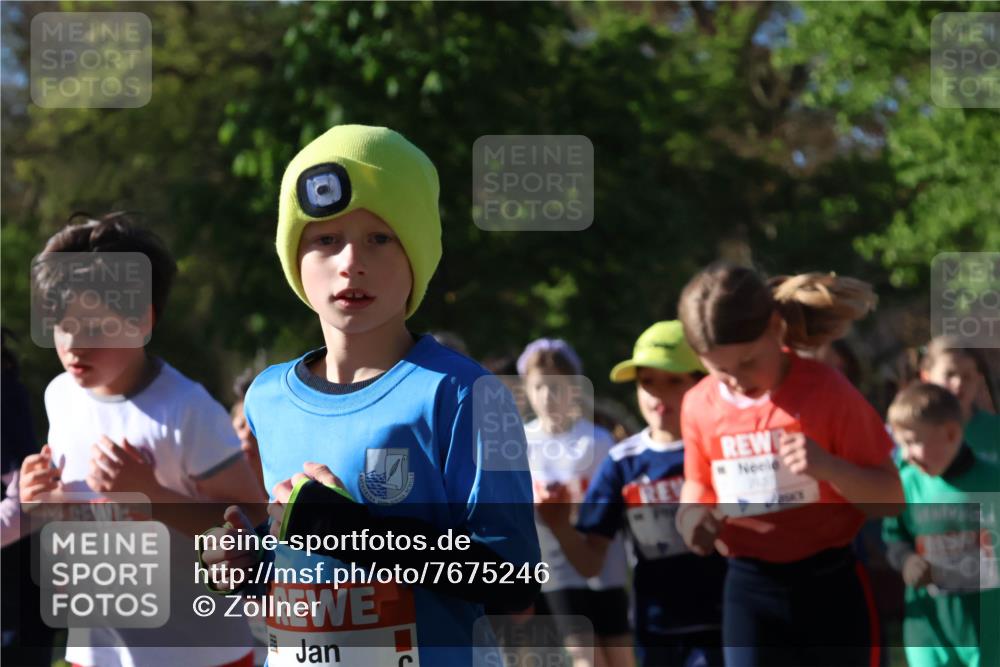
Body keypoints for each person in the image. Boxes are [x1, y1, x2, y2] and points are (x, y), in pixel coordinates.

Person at [199, 125, 540, 666]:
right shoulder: (267, 396)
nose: (350, 261)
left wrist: (351, 531)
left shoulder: (467, 393)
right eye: (325, 239)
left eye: (380, 238)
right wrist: (248, 562)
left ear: (418, 254)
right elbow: (305, 556)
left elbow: (513, 580)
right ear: (294, 257)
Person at [24, 211, 262, 667]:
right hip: (97, 653)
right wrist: (44, 502)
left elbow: (252, 522)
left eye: (94, 326)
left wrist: (153, 497)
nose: (73, 344)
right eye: (61, 324)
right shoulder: (60, 395)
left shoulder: (187, 410)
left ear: (142, 319)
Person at [674, 264, 903, 667]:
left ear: (776, 329)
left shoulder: (827, 392)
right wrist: (690, 518)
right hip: (749, 589)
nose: (737, 381)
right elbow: (698, 484)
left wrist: (831, 468)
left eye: (748, 362)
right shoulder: (698, 405)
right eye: (721, 371)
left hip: (830, 586)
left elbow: (892, 499)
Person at [536, 321, 726, 666]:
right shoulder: (623, 462)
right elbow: (590, 563)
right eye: (646, 381)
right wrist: (560, 526)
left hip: (727, 624)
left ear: (702, 383)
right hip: (657, 630)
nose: (657, 395)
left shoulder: (722, 448)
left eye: (673, 381)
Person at [520, 338, 633, 667]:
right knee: (586, 658)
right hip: (554, 565)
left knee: (620, 657)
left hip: (602, 563)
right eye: (539, 387)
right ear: (527, 390)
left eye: (556, 387)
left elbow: (613, 504)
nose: (547, 396)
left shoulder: (597, 440)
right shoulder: (521, 442)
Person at [882, 383, 999, 667]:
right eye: (900, 445)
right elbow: (894, 537)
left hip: (986, 624)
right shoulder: (906, 484)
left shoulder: (992, 480)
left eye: (912, 442)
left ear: (951, 434)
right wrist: (908, 560)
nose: (905, 455)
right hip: (929, 627)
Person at [919, 337, 999, 467]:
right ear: (926, 377)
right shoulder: (912, 434)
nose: (959, 383)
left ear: (978, 380)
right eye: (949, 374)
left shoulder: (995, 429)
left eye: (967, 376)